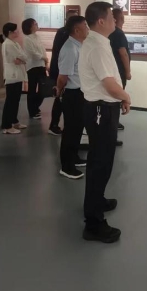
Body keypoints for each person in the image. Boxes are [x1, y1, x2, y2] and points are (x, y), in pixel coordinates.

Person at [79, 1, 131, 243]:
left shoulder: (99, 42)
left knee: (102, 160)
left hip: (104, 107)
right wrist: (125, 96)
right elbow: (109, 84)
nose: (115, 20)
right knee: (100, 163)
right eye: (111, 17)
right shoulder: (96, 46)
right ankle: (93, 223)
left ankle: (96, 200)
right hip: (101, 109)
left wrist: (119, 97)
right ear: (101, 21)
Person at [57, 15, 90, 179]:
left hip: (81, 93)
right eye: (85, 26)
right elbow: (63, 76)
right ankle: (66, 166)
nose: (88, 28)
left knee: (77, 128)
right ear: (77, 30)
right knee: (70, 130)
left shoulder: (80, 45)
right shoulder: (70, 48)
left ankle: (74, 157)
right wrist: (58, 91)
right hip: (72, 94)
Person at [48, 9, 79, 135]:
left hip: (69, 72)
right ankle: (54, 124)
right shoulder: (63, 33)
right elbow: (58, 53)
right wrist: (57, 74)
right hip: (62, 71)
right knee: (59, 99)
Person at [0, 22, 28, 134]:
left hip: (17, 75)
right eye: (16, 30)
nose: (18, 32)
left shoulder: (14, 43)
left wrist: (22, 60)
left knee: (16, 100)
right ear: (10, 32)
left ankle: (14, 120)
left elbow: (24, 57)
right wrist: (22, 59)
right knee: (10, 101)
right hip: (12, 76)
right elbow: (20, 57)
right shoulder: (8, 44)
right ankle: (6, 125)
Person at [22, 18, 48, 120]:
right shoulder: (27, 39)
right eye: (34, 24)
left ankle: (35, 106)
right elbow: (32, 53)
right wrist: (43, 57)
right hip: (33, 67)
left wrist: (45, 61)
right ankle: (32, 111)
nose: (37, 25)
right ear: (29, 27)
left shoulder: (37, 37)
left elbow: (42, 50)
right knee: (32, 89)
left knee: (44, 89)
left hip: (41, 65)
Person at [109, 8, 130, 131]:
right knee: (117, 96)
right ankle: (114, 122)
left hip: (114, 70)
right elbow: (123, 54)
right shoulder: (118, 33)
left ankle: (114, 121)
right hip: (119, 70)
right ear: (120, 18)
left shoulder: (112, 33)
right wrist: (128, 72)